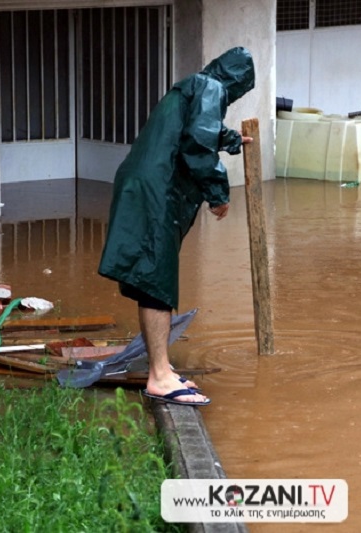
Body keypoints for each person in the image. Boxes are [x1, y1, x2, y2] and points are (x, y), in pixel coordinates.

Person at [98, 47, 255, 406]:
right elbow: (198, 141)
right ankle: (160, 376)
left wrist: (231, 140)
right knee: (157, 279)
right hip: (158, 191)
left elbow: (197, 130)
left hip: (145, 186)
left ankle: (162, 369)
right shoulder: (211, 88)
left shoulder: (190, 87)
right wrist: (218, 192)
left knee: (152, 276)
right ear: (236, 83)